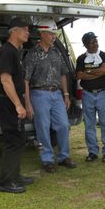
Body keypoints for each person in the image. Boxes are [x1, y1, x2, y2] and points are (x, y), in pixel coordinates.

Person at [24, 18, 77, 173]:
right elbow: (25, 80)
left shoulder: (56, 52)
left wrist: (66, 94)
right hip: (39, 94)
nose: (54, 36)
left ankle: (63, 157)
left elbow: (63, 75)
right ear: (42, 34)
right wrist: (28, 103)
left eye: (55, 33)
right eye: (51, 33)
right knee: (43, 127)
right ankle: (47, 159)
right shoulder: (32, 54)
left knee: (63, 125)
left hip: (57, 94)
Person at [0, 17, 33, 193]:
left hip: (13, 101)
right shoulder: (7, 52)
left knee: (19, 139)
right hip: (8, 102)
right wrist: (18, 105)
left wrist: (24, 103)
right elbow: (5, 80)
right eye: (25, 29)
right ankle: (5, 182)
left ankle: (15, 175)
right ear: (14, 31)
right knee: (13, 140)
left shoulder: (15, 52)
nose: (28, 32)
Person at [76, 32, 105, 163]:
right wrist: (97, 72)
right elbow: (79, 75)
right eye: (92, 42)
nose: (95, 44)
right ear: (85, 44)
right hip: (88, 94)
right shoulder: (81, 59)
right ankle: (92, 151)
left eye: (96, 41)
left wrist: (89, 72)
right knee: (89, 124)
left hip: (103, 93)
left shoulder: (104, 56)